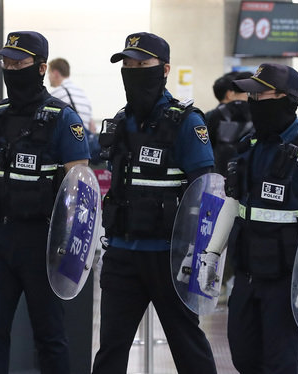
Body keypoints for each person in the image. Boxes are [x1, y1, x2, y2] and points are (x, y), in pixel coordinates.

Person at [197, 63, 298, 373]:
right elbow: (232, 205)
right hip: (246, 274)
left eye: (261, 93)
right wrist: (210, 255)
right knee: (244, 358)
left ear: (286, 99)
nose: (253, 100)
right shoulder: (248, 149)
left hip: (288, 280)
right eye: (252, 93)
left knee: (279, 363)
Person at [0, 31, 90, 374]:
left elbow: (82, 191)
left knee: (49, 336)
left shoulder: (63, 119)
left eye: (19, 62)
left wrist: (72, 248)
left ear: (42, 67)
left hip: (43, 244)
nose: (10, 68)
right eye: (6, 61)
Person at [92, 32, 217, 374]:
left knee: (188, 345)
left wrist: (200, 255)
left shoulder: (186, 122)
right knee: (111, 349)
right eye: (128, 64)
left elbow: (207, 193)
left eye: (142, 64)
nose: (133, 70)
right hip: (121, 253)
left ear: (164, 70)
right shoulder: (119, 122)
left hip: (169, 257)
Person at [205, 71, 253, 176]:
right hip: (248, 174)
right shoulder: (257, 113)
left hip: (220, 174)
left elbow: (207, 144)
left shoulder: (216, 114)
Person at [48, 57, 94, 131]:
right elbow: (92, 125)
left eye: (49, 73)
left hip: (68, 139)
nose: (48, 77)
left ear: (55, 73)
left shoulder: (56, 94)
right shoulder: (82, 94)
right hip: (83, 139)